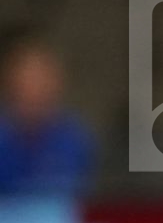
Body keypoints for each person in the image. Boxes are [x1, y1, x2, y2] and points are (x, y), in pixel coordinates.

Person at [0, 29, 96, 197]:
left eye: (44, 75)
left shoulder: (75, 138)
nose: (37, 86)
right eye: (28, 75)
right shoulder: (3, 138)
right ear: (9, 80)